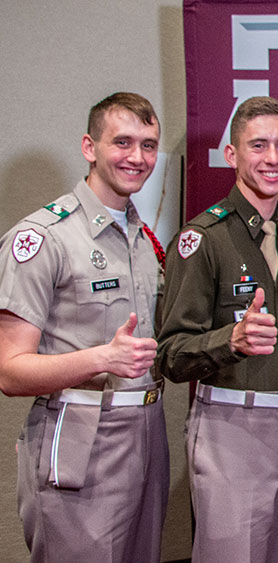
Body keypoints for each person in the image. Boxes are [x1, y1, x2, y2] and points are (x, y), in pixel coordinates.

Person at [0, 92, 168, 562]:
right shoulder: (44, 238)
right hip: (80, 436)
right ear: (89, 147)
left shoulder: (144, 237)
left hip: (146, 433)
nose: (137, 157)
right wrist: (102, 358)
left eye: (149, 145)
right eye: (123, 142)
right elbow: (10, 372)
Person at [156, 96, 278, 562]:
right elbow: (170, 354)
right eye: (258, 145)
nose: (272, 158)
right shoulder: (203, 238)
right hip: (231, 428)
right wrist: (230, 341)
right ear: (232, 155)